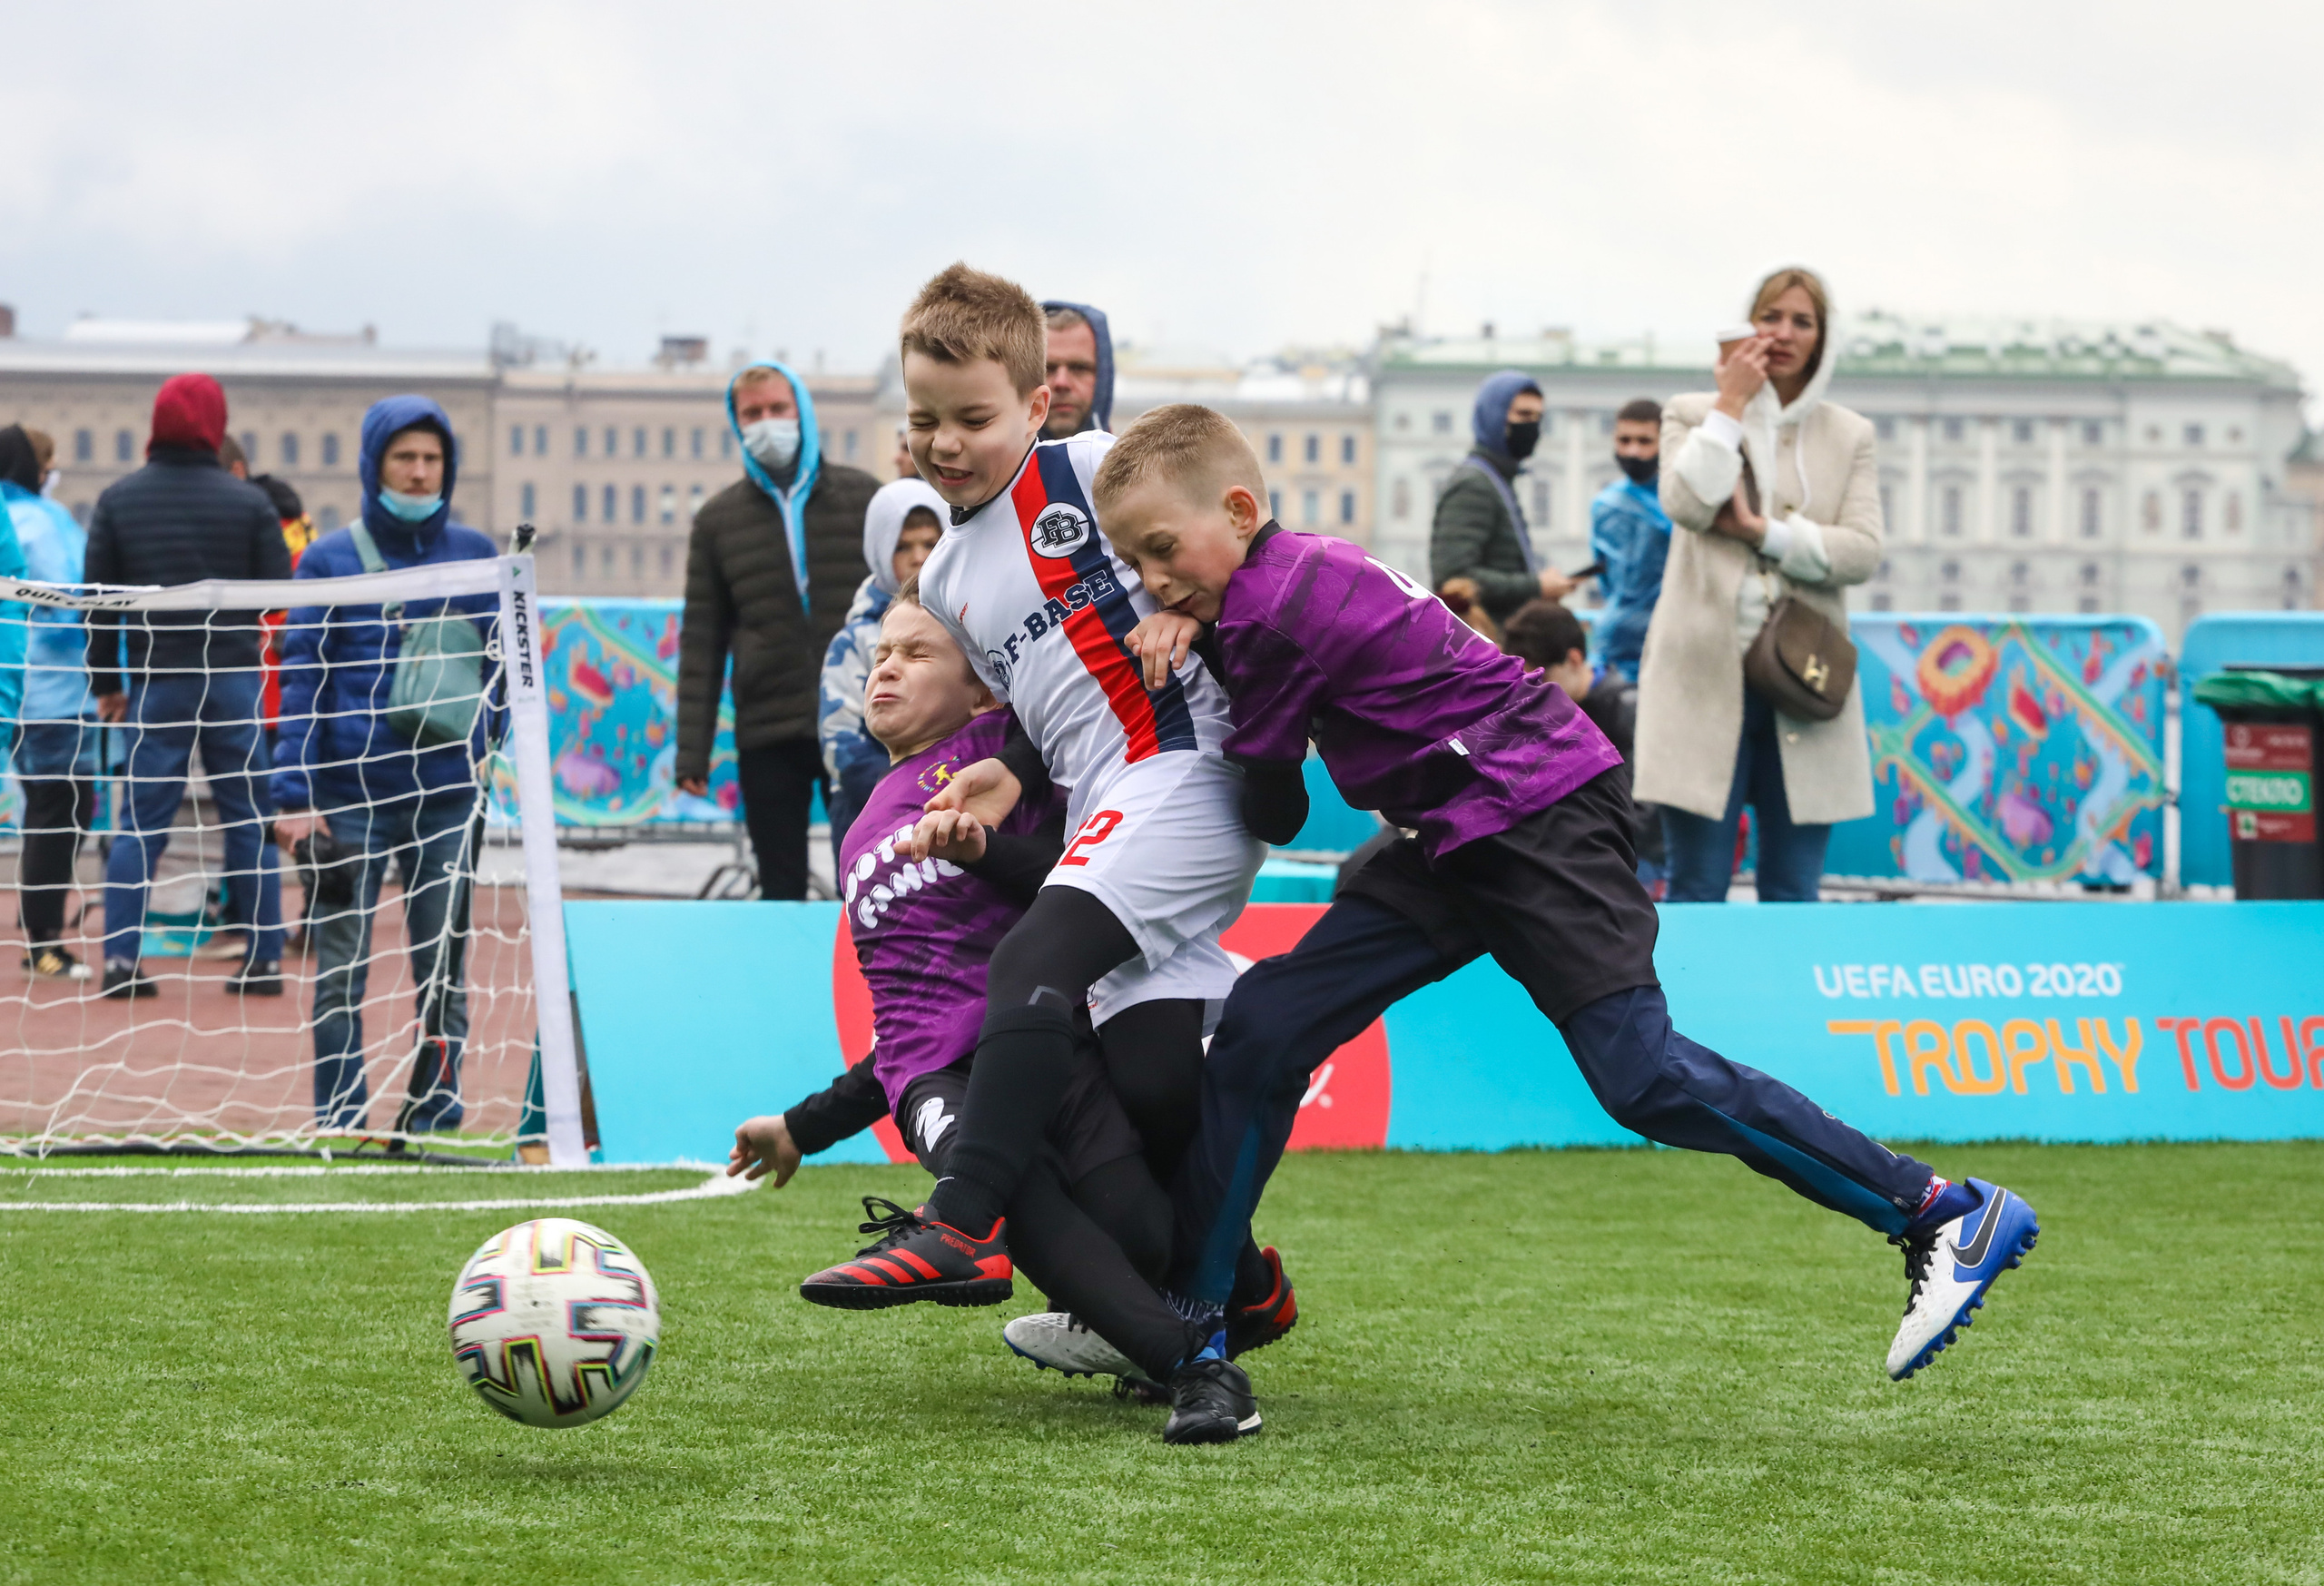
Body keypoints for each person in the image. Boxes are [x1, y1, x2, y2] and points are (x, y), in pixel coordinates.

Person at [1095, 402, 2037, 1386]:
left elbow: (1276, 810)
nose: (1155, 581)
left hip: (1528, 813)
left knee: (1641, 1076)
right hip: (1467, 822)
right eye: (1138, 564)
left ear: (1239, 510)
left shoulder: (1262, 612)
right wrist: (1203, 625)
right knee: (1265, 1024)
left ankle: (1940, 1211)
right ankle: (1193, 1315)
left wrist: (1197, 649)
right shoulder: (1297, 569)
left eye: (1163, 551)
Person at [796, 267, 1264, 1403]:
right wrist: (1004, 768)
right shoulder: (948, 575)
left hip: (1180, 766)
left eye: (972, 418)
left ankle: (958, 1221)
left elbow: (1234, 527)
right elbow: (1035, 702)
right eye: (923, 421)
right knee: (1150, 1079)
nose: (944, 444)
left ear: (1038, 405)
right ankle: (1234, 1289)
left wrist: (1178, 603)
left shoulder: (1091, 468)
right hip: (1108, 810)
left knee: (1030, 961)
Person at [734, 587, 1277, 1443]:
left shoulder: (1011, 760)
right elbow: (904, 1025)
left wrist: (986, 848)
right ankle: (1197, 1369)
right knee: (1014, 1199)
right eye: (882, 653)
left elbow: (1081, 895)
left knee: (1140, 1230)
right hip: (935, 1081)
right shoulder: (859, 824)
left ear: (984, 688)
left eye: (918, 654)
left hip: (1043, 1040)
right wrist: (803, 1125)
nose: (886, 666)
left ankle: (1243, 1285)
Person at [271, 396, 501, 1135]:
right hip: (348, 797)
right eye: (404, 457)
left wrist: (482, 746)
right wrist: (292, 794)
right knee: (340, 968)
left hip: (445, 799)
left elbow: (505, 670)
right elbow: (299, 677)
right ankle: (339, 1117)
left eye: (432, 458)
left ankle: (434, 1113)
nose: (419, 471)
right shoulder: (328, 559)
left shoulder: (478, 555)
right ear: (376, 466)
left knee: (443, 970)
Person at [1637, 267, 1879, 904]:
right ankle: (1687, 1006)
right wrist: (1731, 406)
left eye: (1803, 321)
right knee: (1697, 882)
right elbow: (1687, 503)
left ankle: (1789, 1004)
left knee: (1795, 887)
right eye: (1771, 317)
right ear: (1749, 325)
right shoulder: (1692, 414)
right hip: (1701, 677)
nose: (1784, 333)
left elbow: (1863, 550)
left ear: (1823, 337)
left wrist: (1763, 532)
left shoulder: (1848, 434)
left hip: (1805, 681)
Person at [84, 374, 290, 1000]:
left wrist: (107, 683)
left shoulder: (118, 501)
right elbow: (279, 595)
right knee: (248, 818)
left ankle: (121, 961)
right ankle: (263, 959)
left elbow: (98, 605)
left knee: (140, 825)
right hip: (231, 677)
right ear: (215, 423)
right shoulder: (249, 503)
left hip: (158, 679)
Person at [676, 362, 880, 899]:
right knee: (779, 888)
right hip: (768, 726)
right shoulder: (718, 520)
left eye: (777, 410)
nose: (767, 423)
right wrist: (691, 755)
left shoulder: (864, 497)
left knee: (870, 879)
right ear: (737, 423)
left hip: (862, 720)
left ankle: (868, 984)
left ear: (802, 413)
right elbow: (702, 639)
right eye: (752, 414)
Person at [3, 426, 98, 980]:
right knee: (60, 812)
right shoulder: (43, 520)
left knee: (47, 809)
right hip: (55, 693)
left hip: (15, 689)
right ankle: (43, 942)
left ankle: (39, 932)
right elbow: (72, 597)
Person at [817, 478, 945, 864]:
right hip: (868, 806)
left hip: (945, 803)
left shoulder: (965, 624)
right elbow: (839, 741)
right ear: (878, 550)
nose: (919, 557)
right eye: (903, 547)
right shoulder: (855, 641)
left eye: (929, 543)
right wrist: (901, 790)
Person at [1502, 598, 1665, 888]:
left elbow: (1642, 814)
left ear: (1574, 660)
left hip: (1625, 863)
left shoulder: (1627, 711)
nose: (1532, 694)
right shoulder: (1535, 715)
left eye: (1542, 679)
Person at [1430, 369, 1576, 627]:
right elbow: (1453, 577)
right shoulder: (1474, 485)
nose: (1532, 426)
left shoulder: (1496, 480)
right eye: (1523, 415)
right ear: (1493, 417)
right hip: (1484, 644)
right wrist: (1536, 586)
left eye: (1538, 418)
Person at [1589, 399, 1671, 683]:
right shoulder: (1604, 505)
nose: (1633, 451)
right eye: (1624, 440)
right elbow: (1607, 579)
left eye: (1644, 441)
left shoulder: (1680, 503)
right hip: (1615, 643)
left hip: (1670, 640)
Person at [1039, 301, 1114, 440]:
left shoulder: (1139, 462)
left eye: (1079, 368)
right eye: (1046, 369)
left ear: (1104, 377)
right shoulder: (990, 462)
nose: (1061, 383)